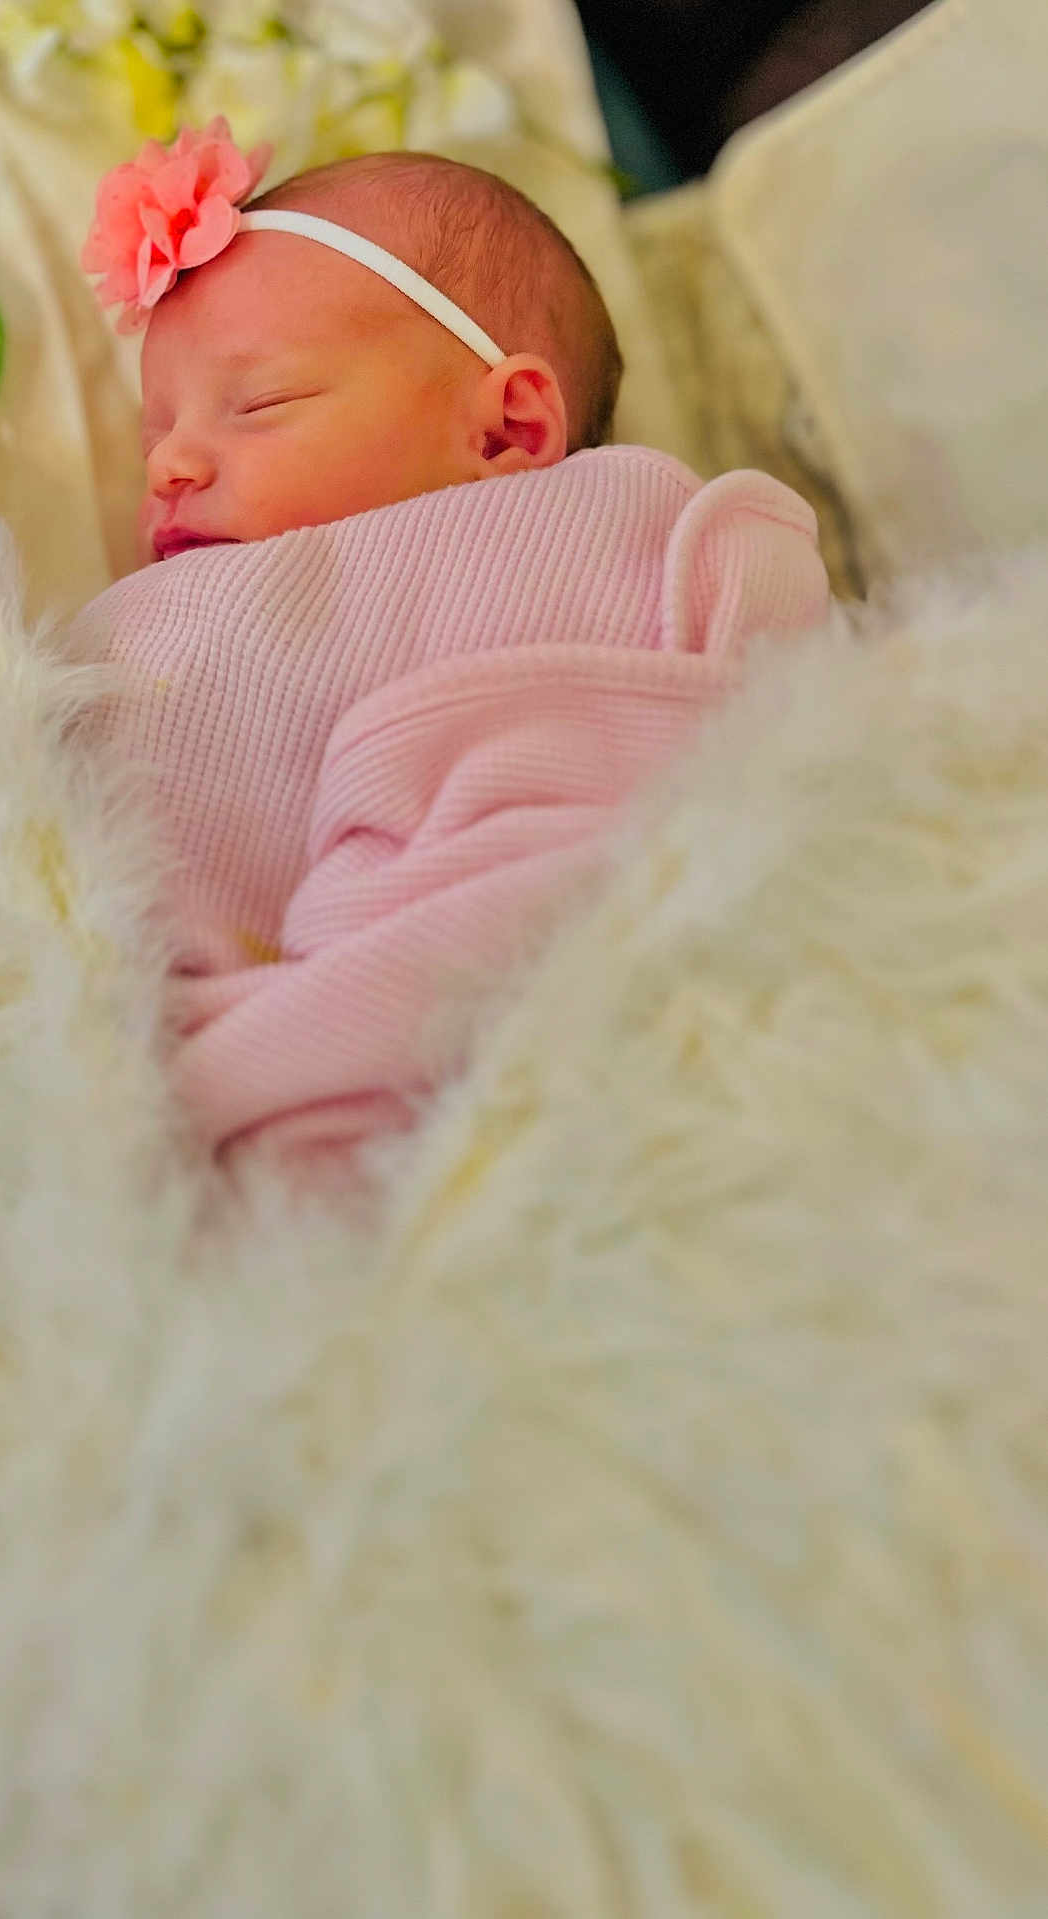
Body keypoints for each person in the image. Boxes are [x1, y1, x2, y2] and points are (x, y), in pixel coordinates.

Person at [69, 119, 829, 1181]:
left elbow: (816, 709)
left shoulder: (632, 516)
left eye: (261, 403)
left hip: (632, 948)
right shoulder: (148, 627)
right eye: (158, 436)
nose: (172, 464)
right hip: (285, 1065)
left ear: (506, 431)